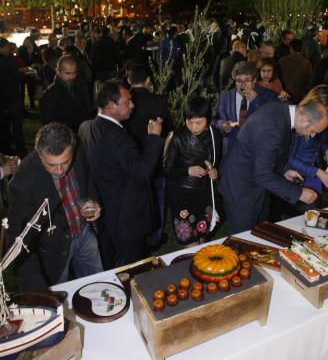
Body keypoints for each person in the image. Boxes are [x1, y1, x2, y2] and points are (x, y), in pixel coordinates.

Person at [7, 122, 102, 291]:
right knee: (59, 299)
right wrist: (39, 293)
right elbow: (19, 241)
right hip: (52, 249)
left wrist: (92, 199)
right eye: (51, 165)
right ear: (40, 155)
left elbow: (89, 178)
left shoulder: (78, 151)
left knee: (98, 286)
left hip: (84, 233)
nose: (59, 171)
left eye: (65, 162)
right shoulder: (23, 183)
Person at [78, 81, 164, 268]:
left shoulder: (87, 127)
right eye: (128, 101)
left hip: (107, 211)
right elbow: (142, 171)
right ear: (110, 105)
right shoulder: (117, 136)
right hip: (128, 216)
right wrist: (154, 138)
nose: (132, 105)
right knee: (133, 266)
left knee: (114, 262)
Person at [218, 100, 328, 234]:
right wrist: (299, 193)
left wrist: (285, 170)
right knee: (244, 239)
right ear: (305, 119)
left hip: (255, 183)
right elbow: (263, 175)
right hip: (241, 188)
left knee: (260, 232)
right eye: (313, 131)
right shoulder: (271, 127)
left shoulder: (283, 112)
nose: (312, 135)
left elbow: (268, 153)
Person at [163, 97, 223, 246]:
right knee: (188, 239)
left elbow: (215, 162)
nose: (193, 127)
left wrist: (214, 172)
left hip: (204, 194)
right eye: (189, 122)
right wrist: (187, 170)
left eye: (199, 122)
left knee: (203, 235)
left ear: (208, 120)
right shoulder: (176, 137)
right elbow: (166, 170)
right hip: (182, 195)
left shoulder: (215, 136)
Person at [125, 64, 172, 246]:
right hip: (155, 158)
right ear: (148, 81)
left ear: (129, 80)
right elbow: (168, 130)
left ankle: (138, 236)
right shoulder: (159, 101)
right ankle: (156, 236)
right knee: (159, 197)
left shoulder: (123, 101)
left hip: (131, 157)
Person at [212, 61, 277, 152]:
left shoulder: (269, 96)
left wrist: (256, 100)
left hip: (257, 147)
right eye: (239, 81)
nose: (243, 85)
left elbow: (274, 119)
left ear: (254, 80)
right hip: (231, 147)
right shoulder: (224, 97)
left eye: (247, 80)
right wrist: (222, 125)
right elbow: (212, 120)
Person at [39, 55, 92, 132]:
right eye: (67, 73)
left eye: (74, 73)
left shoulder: (78, 87)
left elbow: (85, 111)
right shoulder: (49, 95)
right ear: (57, 71)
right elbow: (48, 125)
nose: (72, 77)